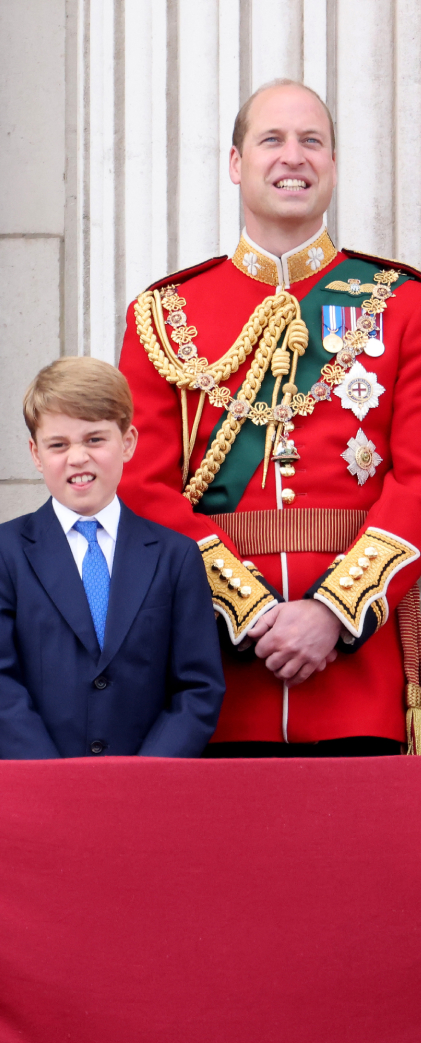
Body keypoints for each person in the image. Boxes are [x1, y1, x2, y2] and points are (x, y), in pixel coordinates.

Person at [116, 79, 421, 756]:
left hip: (358, 677)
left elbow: (417, 483)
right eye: (271, 139)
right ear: (235, 164)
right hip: (214, 681)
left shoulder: (400, 303)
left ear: (333, 166)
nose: (294, 156)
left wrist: (332, 613)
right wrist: (250, 614)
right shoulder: (164, 315)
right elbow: (141, 487)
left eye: (311, 141)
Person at [0, 358, 225, 758]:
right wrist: (52, 778)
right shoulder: (0, 552)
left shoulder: (175, 556)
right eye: (58, 444)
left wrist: (144, 775)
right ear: (35, 453)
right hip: (37, 785)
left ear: (128, 442)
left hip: (145, 787)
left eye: (94, 439)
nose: (77, 458)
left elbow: (198, 686)